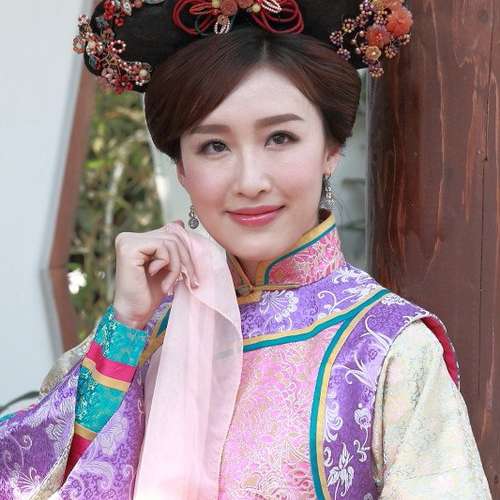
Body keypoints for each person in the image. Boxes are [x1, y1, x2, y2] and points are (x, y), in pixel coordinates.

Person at [0, 0, 492, 498]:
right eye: (214, 146)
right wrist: (125, 327)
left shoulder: (390, 348)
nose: (250, 181)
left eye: (280, 137)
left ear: (331, 148)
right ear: (181, 168)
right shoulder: (143, 335)